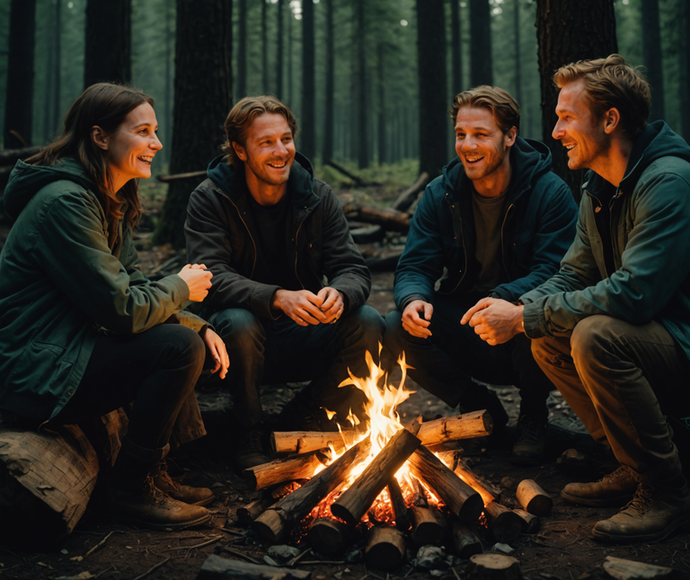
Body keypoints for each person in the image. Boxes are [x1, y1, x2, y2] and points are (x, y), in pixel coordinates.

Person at [461, 54, 690, 543]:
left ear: (610, 120)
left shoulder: (668, 181)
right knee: (549, 338)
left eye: (567, 117)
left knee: (594, 335)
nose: (557, 130)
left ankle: (667, 490)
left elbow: (636, 294)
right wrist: (521, 311)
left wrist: (526, 316)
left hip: (679, 341)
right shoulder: (598, 185)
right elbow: (572, 274)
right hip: (657, 344)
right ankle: (633, 465)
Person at [0, 83, 230, 531]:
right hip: (30, 374)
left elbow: (135, 282)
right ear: (100, 137)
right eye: (142, 131)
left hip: (64, 350)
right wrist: (182, 289)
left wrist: (195, 321)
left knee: (184, 336)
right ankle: (129, 488)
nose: (156, 144)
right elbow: (122, 309)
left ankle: (152, 472)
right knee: (176, 348)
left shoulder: (106, 197)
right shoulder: (66, 202)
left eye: (156, 131)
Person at [185, 95, 385, 470]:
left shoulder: (317, 196)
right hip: (234, 339)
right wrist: (276, 297)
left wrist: (340, 293)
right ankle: (249, 431)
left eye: (286, 139)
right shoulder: (209, 198)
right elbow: (209, 276)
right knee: (239, 322)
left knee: (370, 321)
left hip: (303, 331)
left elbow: (352, 267)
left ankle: (303, 416)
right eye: (266, 143)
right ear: (240, 150)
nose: (281, 152)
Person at [383, 86, 578, 465]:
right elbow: (415, 264)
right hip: (466, 321)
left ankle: (534, 416)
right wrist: (413, 299)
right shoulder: (441, 193)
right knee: (394, 325)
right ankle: (479, 406)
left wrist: (504, 299)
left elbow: (556, 270)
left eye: (481, 135)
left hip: (521, 328)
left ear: (510, 136)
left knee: (533, 310)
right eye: (461, 134)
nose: (467, 145)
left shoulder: (550, 192)